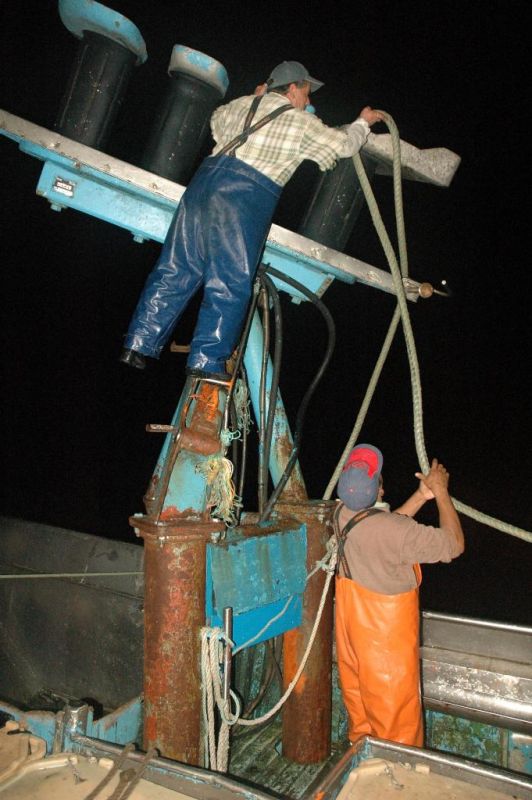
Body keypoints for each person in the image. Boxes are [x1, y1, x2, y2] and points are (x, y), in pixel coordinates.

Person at [119, 61, 384, 380]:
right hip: (243, 198)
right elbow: (343, 146)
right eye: (306, 93)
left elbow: (216, 122)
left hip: (202, 187)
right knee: (229, 282)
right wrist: (362, 123)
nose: (309, 102)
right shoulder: (299, 121)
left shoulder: (239, 105)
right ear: (292, 89)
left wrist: (254, 99)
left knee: (177, 267)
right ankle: (207, 361)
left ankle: (138, 344)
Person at [333, 444, 465, 747]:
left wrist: (421, 496)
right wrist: (441, 492)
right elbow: (453, 544)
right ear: (379, 489)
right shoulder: (395, 532)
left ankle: (361, 770)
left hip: (352, 637)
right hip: (385, 647)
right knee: (397, 730)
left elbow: (383, 526)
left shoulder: (341, 514)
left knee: (362, 715)